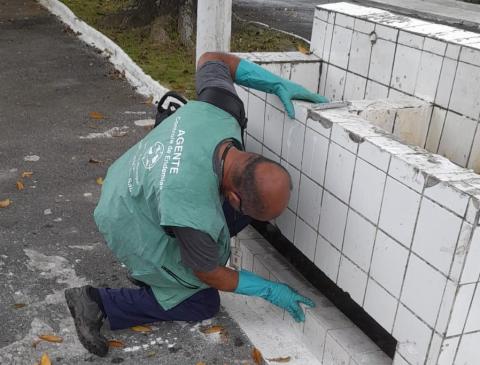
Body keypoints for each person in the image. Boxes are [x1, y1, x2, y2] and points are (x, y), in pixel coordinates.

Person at [64, 52, 329, 357]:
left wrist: (275, 83)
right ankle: (97, 301)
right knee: (201, 302)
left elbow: (212, 59)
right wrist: (269, 290)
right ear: (232, 197)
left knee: (232, 224)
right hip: (125, 214)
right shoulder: (189, 207)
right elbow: (209, 272)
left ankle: (159, 272)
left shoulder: (224, 110)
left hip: (135, 176)